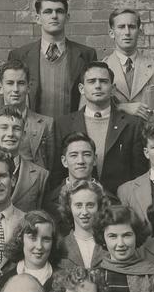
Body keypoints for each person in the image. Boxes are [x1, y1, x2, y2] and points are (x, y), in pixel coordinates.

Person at [54, 62, 148, 197]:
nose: (97, 86)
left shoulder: (133, 125)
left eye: (103, 81)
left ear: (113, 89)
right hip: (75, 206)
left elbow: (139, 174)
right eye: (91, 81)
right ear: (81, 88)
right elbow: (57, 173)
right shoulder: (63, 125)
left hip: (118, 205)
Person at [8, 0, 98, 120]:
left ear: (67, 17)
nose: (54, 16)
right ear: (38, 19)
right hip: (32, 133)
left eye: (59, 11)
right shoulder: (19, 55)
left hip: (71, 133)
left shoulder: (86, 55)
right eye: (48, 11)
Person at [0, 59, 56, 169]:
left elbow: (51, 166)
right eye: (10, 83)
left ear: (28, 87)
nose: (15, 89)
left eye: (21, 83)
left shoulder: (46, 124)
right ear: (0, 88)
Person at [92, 203, 154, 292]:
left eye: (126, 235)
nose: (120, 243)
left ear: (136, 236)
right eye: (112, 236)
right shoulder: (95, 276)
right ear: (103, 239)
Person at [0, 211, 67, 292]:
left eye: (46, 239)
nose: (39, 246)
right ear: (21, 239)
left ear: (54, 243)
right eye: (33, 238)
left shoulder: (65, 281)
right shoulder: (4, 282)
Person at [102, 8, 154, 118]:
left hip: (148, 132)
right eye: (121, 27)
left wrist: (144, 112)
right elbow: (91, 110)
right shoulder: (101, 69)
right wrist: (121, 107)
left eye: (131, 27)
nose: (127, 32)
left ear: (139, 31)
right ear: (112, 33)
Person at [57, 177, 108, 269]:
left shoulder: (109, 243)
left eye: (90, 205)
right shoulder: (59, 246)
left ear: (99, 207)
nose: (84, 212)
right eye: (78, 205)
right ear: (69, 208)